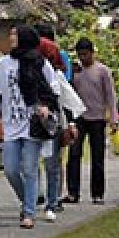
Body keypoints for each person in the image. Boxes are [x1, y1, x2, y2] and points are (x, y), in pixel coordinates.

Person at [0, 25, 59, 229]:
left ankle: (29, 212)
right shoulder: (3, 63)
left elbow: (53, 88)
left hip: (32, 123)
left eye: (14, 34)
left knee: (30, 168)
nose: (11, 37)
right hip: (11, 123)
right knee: (11, 169)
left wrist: (46, 107)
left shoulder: (40, 62)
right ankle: (27, 200)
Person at [65, 38, 119, 205]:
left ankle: (97, 193)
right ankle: (73, 192)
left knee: (97, 157)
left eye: (86, 54)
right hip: (79, 117)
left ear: (92, 53)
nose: (83, 58)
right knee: (74, 155)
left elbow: (110, 95)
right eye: (80, 55)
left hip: (97, 119)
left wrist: (113, 118)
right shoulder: (75, 70)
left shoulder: (102, 71)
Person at [34, 24, 70, 213]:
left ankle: (52, 197)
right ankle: (48, 196)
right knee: (46, 159)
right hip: (41, 116)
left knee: (51, 159)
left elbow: (64, 94)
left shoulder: (54, 73)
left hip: (52, 117)